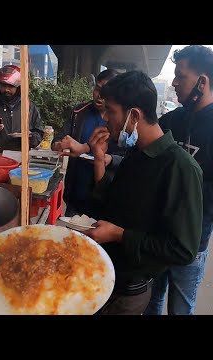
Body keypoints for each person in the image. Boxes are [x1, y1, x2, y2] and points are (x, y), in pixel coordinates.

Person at [82, 70, 203, 315]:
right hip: (105, 274)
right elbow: (111, 204)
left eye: (111, 112)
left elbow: (182, 249)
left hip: (128, 291)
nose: (105, 119)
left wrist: (119, 235)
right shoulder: (135, 154)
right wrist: (97, 160)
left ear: (134, 115)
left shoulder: (180, 168)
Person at [144, 45, 213, 315]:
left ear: (202, 82)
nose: (174, 82)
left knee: (180, 308)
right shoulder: (171, 120)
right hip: (159, 236)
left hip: (191, 243)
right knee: (152, 303)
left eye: (180, 76)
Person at [53, 69, 121, 218]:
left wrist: (109, 159)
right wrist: (61, 145)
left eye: (106, 92)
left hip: (105, 197)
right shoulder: (79, 112)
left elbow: (131, 157)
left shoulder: (121, 119)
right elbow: (57, 139)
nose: (100, 96)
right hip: (76, 193)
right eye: (98, 88)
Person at [0, 65, 44, 152]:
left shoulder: (29, 107)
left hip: (20, 158)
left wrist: (31, 137)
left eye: (10, 86)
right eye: (3, 85)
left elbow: (39, 133)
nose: (6, 90)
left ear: (19, 87)